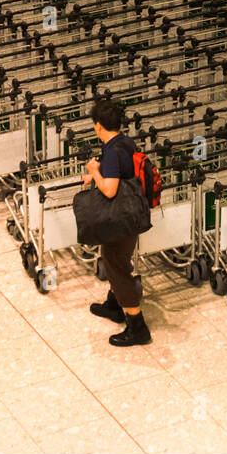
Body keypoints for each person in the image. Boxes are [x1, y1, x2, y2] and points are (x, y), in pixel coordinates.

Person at [82, 98, 152, 346]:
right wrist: (100, 171)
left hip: (120, 218)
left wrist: (94, 172)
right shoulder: (125, 142)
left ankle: (137, 327)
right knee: (116, 260)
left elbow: (110, 190)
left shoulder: (111, 151)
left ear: (99, 126)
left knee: (116, 266)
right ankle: (114, 305)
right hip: (132, 214)